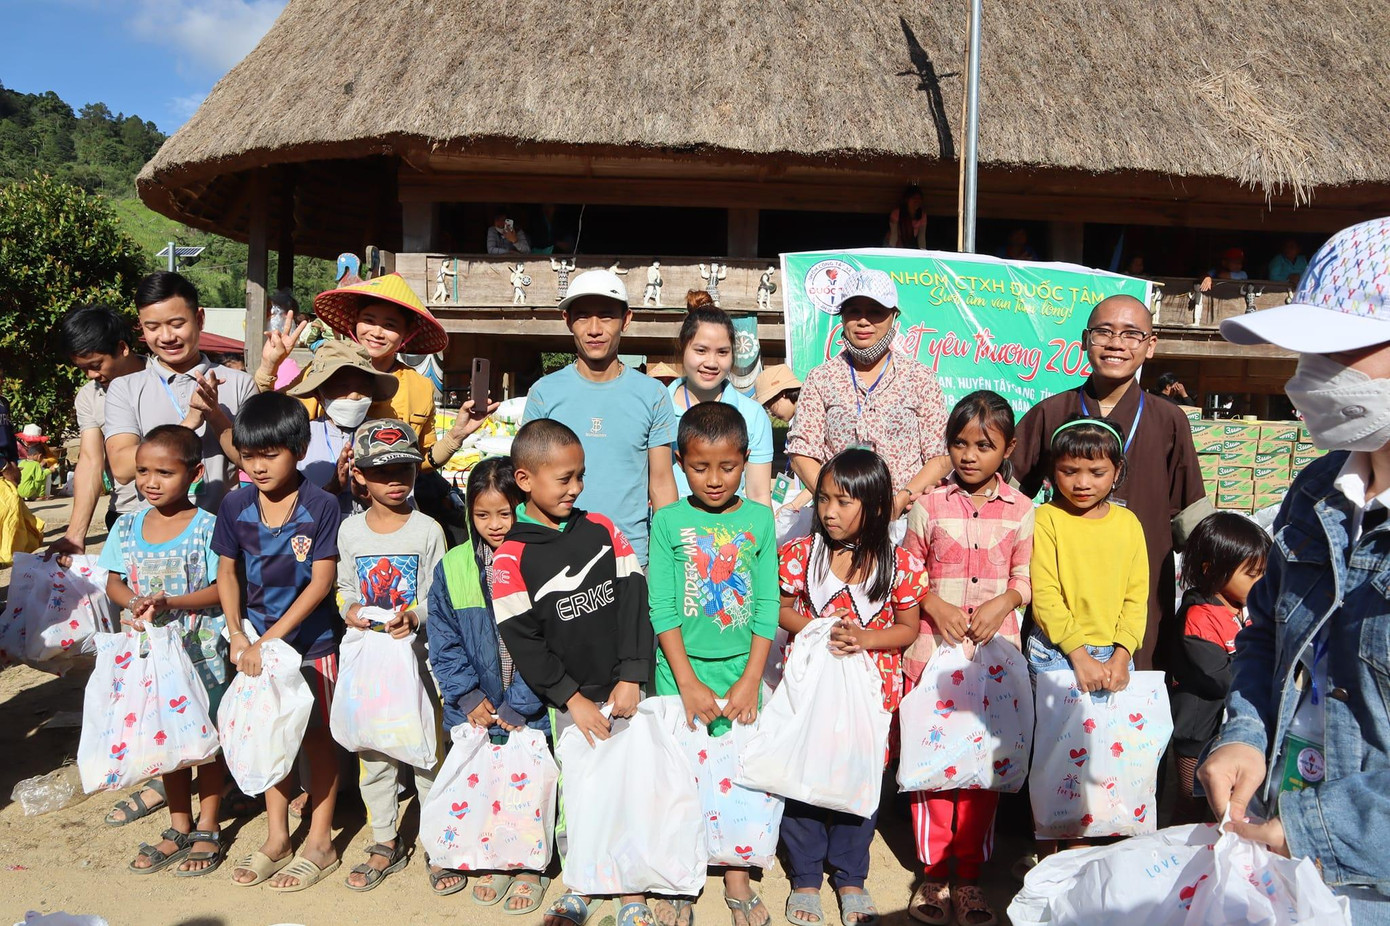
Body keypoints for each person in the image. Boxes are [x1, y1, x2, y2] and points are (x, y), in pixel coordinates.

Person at [1199, 216, 1390, 919]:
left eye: (1336, 352)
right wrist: (1244, 735)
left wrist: (1319, 831)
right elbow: (1264, 636)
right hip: (1285, 868)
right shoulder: (1315, 490)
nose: (1308, 379)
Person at [490, 419, 655, 926]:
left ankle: (632, 890)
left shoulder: (604, 529)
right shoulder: (509, 558)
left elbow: (633, 602)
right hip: (573, 703)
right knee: (580, 793)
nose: (576, 488)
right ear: (525, 480)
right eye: (564, 478)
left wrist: (633, 674)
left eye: (579, 476)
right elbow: (526, 642)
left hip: (626, 691)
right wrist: (570, 698)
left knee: (630, 786)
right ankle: (581, 879)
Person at [1011, 294, 1207, 670]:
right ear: (1086, 340)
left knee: (1132, 703)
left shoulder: (1168, 420)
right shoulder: (1052, 412)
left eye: (1132, 334)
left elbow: (1191, 515)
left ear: (1150, 346)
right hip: (1064, 587)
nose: (1116, 343)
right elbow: (1009, 495)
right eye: (1104, 332)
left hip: (1138, 586)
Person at [777, 448, 926, 926]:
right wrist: (816, 629)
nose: (828, 512)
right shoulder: (802, 554)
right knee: (803, 777)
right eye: (823, 500)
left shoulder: (898, 564)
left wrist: (865, 639)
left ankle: (850, 876)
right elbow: (779, 609)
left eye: (843, 502)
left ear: (877, 506)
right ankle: (804, 876)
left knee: (859, 780)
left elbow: (907, 628)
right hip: (810, 688)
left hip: (870, 694)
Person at [900, 391, 1034, 926]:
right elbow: (907, 574)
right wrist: (933, 602)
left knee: (982, 770)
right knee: (934, 768)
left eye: (985, 445)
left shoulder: (1024, 512)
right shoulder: (926, 505)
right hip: (933, 653)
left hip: (994, 661)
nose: (970, 454)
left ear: (1008, 449)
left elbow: (1025, 578)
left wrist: (1003, 601)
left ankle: (969, 879)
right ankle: (932, 875)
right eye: (960, 443)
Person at [648, 403, 779, 926]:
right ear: (680, 462)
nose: (715, 479)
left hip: (742, 674)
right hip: (679, 673)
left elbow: (767, 605)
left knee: (740, 775)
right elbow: (661, 607)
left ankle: (736, 870)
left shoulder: (760, 519)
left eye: (727, 467)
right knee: (684, 776)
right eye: (700, 467)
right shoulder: (669, 521)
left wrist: (751, 681)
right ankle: (682, 874)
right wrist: (686, 683)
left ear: (746, 460)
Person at [215, 392, 343, 892]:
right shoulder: (234, 503)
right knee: (269, 735)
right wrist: (236, 632)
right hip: (252, 646)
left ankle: (320, 841)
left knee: (314, 738)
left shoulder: (321, 505)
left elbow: (321, 581)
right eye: (249, 456)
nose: (258, 466)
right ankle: (276, 837)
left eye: (270, 454)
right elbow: (227, 572)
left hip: (312, 645)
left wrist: (265, 641)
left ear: (298, 448)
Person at [262, 273, 491, 540]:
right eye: (369, 321)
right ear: (354, 324)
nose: (377, 332)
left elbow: (422, 463)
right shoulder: (324, 371)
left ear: (407, 333)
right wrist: (270, 366)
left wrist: (457, 435)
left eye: (390, 324)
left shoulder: (419, 387)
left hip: (391, 515)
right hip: (324, 514)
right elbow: (276, 424)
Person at [98, 425, 230, 877]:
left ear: (194, 474)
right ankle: (178, 824)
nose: (150, 481)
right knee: (166, 740)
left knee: (203, 743)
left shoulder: (209, 528)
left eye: (164, 472)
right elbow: (113, 579)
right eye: (142, 471)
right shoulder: (127, 525)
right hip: (149, 657)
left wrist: (170, 602)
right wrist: (131, 600)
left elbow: (221, 589)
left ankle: (208, 825)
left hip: (200, 655)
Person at [334, 419, 459, 894]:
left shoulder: (428, 530)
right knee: (375, 753)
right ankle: (385, 840)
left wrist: (416, 616)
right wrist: (348, 609)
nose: (394, 480)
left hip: (420, 663)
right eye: (380, 471)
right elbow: (345, 586)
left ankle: (437, 842)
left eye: (404, 469)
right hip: (370, 664)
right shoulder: (350, 533)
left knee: (427, 751)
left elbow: (438, 595)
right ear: (360, 477)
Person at [428, 456, 551, 913]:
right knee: (489, 785)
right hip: (477, 703)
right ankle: (496, 857)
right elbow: (443, 637)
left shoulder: (541, 560)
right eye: (482, 515)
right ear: (469, 514)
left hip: (530, 705)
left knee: (527, 787)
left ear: (522, 506)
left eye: (505, 512)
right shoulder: (454, 566)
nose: (495, 525)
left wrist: (522, 701)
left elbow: (553, 641)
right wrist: (468, 694)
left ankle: (527, 866)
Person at [1027, 417, 1147, 855]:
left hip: (1115, 656)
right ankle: (1055, 860)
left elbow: (1138, 596)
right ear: (1051, 471)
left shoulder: (1129, 524)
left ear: (1117, 471)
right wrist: (1078, 654)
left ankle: (1095, 860)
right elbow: (1045, 595)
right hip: (1057, 655)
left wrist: (1121, 653)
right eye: (1069, 471)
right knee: (1060, 762)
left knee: (1107, 759)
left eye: (1096, 472)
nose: (1082, 483)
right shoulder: (1045, 519)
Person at [520, 268, 678, 565]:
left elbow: (661, 483)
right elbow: (529, 479)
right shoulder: (544, 393)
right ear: (567, 321)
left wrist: (667, 558)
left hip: (629, 558)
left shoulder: (653, 394)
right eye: (582, 316)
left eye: (606, 316)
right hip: (556, 553)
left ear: (626, 320)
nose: (594, 329)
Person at [785, 269, 950, 526]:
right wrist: (835, 503)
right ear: (842, 317)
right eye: (854, 311)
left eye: (875, 312)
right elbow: (801, 452)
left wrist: (899, 502)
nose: (863, 321)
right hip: (835, 525)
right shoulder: (820, 378)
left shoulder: (920, 378)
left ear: (894, 316)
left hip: (903, 521)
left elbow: (939, 457)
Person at [105, 272, 256, 514]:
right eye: (152, 327)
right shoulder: (125, 389)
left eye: (177, 324)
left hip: (224, 532)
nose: (166, 337)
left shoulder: (240, 384)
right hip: (152, 532)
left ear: (200, 318)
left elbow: (255, 463)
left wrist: (215, 415)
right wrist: (188, 424)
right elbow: (122, 468)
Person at [1163, 512, 1269, 823]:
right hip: (1197, 729)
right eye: (1252, 575)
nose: (1260, 583)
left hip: (1226, 726)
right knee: (1191, 796)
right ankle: (1182, 851)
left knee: (1223, 799)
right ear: (1211, 570)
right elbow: (1219, 676)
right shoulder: (1200, 614)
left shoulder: (1240, 609)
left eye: (1264, 574)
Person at [52, 305, 149, 550]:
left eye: (96, 365)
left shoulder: (162, 378)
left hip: (183, 513)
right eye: (83, 368)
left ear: (122, 348)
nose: (90, 375)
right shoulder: (88, 397)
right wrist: (75, 535)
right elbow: (90, 460)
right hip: (125, 516)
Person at [666, 293, 774, 507]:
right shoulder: (659, 408)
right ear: (683, 347)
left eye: (722, 352)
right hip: (674, 534)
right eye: (701, 351)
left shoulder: (752, 415)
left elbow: (759, 494)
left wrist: (765, 540)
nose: (712, 362)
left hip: (735, 537)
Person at [282, 340, 399, 515]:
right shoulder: (299, 438)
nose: (354, 396)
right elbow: (285, 508)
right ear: (318, 393)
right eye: (341, 387)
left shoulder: (387, 437)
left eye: (363, 387)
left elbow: (404, 506)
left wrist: (369, 498)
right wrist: (331, 490)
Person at [886, 184, 927, 249]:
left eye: (919, 199)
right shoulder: (896, 213)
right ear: (907, 199)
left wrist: (924, 253)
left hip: (909, 244)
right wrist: (891, 250)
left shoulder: (923, 216)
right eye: (914, 198)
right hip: (892, 243)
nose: (917, 201)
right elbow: (894, 235)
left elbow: (921, 237)